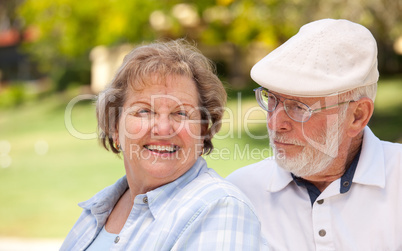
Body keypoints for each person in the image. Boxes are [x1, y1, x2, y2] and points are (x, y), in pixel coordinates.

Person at [61, 40, 267, 250]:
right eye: (144, 111)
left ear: (203, 131)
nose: (163, 128)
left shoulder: (219, 209)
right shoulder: (98, 208)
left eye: (181, 113)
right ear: (115, 127)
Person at [227, 19, 402, 250]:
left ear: (357, 116)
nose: (275, 122)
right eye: (272, 99)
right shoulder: (240, 193)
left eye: (299, 107)